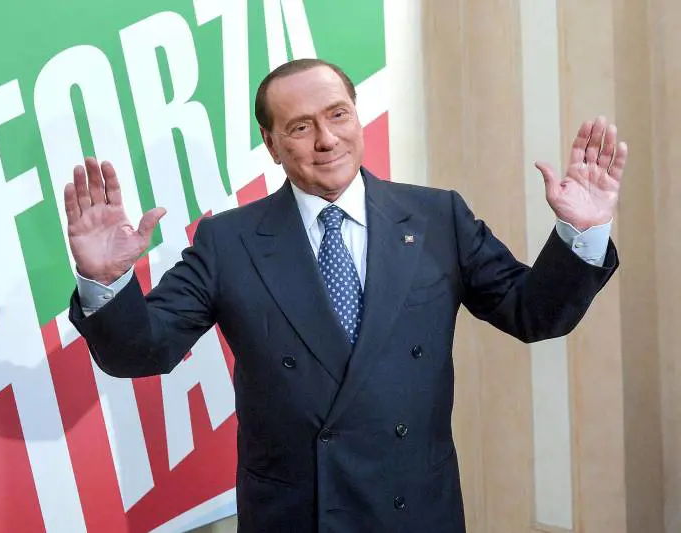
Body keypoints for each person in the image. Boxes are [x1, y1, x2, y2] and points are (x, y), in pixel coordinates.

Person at [66, 59, 624, 532]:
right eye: (300, 126)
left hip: (416, 510)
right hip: (295, 516)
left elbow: (533, 314)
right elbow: (142, 351)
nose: (326, 139)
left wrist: (582, 234)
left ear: (357, 116)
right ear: (272, 144)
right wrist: (105, 280)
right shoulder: (228, 241)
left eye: (337, 114)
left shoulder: (437, 217)